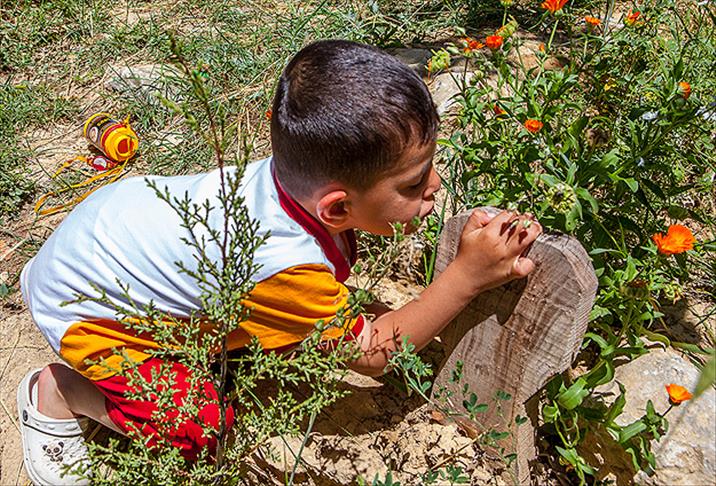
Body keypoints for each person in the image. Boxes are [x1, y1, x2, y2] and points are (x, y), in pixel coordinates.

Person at [17, 39, 541, 485]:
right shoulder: (283, 265)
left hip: (106, 243)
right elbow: (375, 354)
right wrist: (467, 276)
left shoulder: (293, 186)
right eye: (413, 183)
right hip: (89, 309)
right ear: (337, 207)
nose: (435, 188)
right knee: (197, 431)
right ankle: (59, 394)